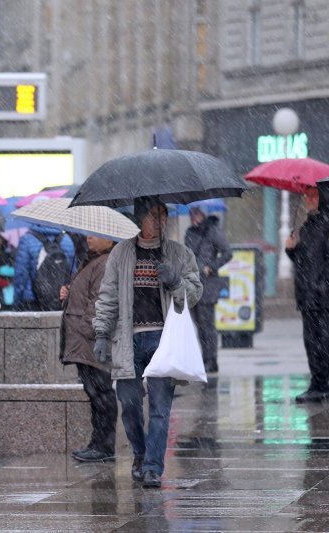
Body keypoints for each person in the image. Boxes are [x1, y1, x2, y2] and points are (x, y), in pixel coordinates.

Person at [93, 197, 202, 488]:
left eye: (163, 216)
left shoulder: (178, 253)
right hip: (129, 341)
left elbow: (194, 293)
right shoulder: (121, 254)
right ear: (140, 219)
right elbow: (108, 297)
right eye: (153, 216)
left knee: (159, 408)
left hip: (163, 340)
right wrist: (102, 334)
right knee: (129, 406)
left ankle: (153, 467)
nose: (159, 221)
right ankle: (140, 454)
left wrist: (176, 282)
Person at [60, 234, 117, 463]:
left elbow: (98, 302)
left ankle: (104, 445)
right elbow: (85, 296)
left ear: (110, 240)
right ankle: (98, 442)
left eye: (96, 235)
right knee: (94, 393)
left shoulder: (104, 263)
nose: (89, 237)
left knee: (101, 393)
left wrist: (85, 331)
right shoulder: (91, 260)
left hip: (90, 341)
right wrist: (69, 292)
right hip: (83, 342)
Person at [285, 181, 329, 403]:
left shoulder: (326, 225)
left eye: (313, 195)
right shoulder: (308, 226)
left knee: (323, 341)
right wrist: (291, 250)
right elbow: (304, 262)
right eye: (306, 196)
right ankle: (318, 382)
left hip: (322, 298)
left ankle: (323, 384)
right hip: (307, 297)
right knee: (311, 342)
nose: (308, 199)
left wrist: (322, 286)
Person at [184, 207, 233, 373]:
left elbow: (227, 252)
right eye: (192, 213)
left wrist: (211, 267)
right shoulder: (189, 233)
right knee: (199, 326)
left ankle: (212, 360)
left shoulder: (212, 231)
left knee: (208, 326)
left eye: (197, 212)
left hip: (207, 285)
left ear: (204, 213)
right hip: (192, 285)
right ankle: (205, 359)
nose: (194, 216)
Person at [13, 224, 74, 311]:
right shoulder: (67, 240)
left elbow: (21, 275)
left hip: (33, 301)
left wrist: (17, 303)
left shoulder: (27, 240)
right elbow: (72, 273)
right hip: (60, 299)